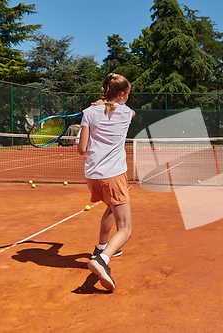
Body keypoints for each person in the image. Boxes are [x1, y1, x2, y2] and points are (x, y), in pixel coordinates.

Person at [77, 73, 136, 291]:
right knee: (126, 228)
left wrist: (98, 107)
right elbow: (131, 112)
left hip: (92, 177)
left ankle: (101, 247)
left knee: (111, 208)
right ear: (122, 94)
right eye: (127, 94)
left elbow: (82, 149)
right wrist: (106, 104)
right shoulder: (126, 113)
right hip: (114, 176)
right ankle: (102, 259)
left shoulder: (88, 113)